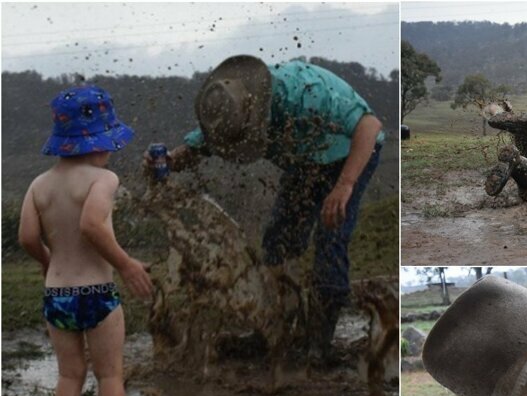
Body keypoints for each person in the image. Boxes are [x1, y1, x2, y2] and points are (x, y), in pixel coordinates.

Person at [145, 55, 385, 362]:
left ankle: (319, 346)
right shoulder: (228, 110)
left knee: (331, 239)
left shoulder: (303, 91)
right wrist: (165, 163)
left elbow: (369, 125)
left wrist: (344, 185)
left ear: (257, 110)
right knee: (278, 240)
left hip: (348, 155)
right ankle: (277, 332)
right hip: (304, 163)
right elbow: (193, 150)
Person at [19, 85, 155, 396]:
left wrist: (48, 261)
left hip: (57, 294)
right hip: (96, 292)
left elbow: (27, 237)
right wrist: (127, 265)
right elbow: (92, 225)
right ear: (99, 143)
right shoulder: (103, 179)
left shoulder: (38, 185)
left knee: (68, 373)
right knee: (110, 372)